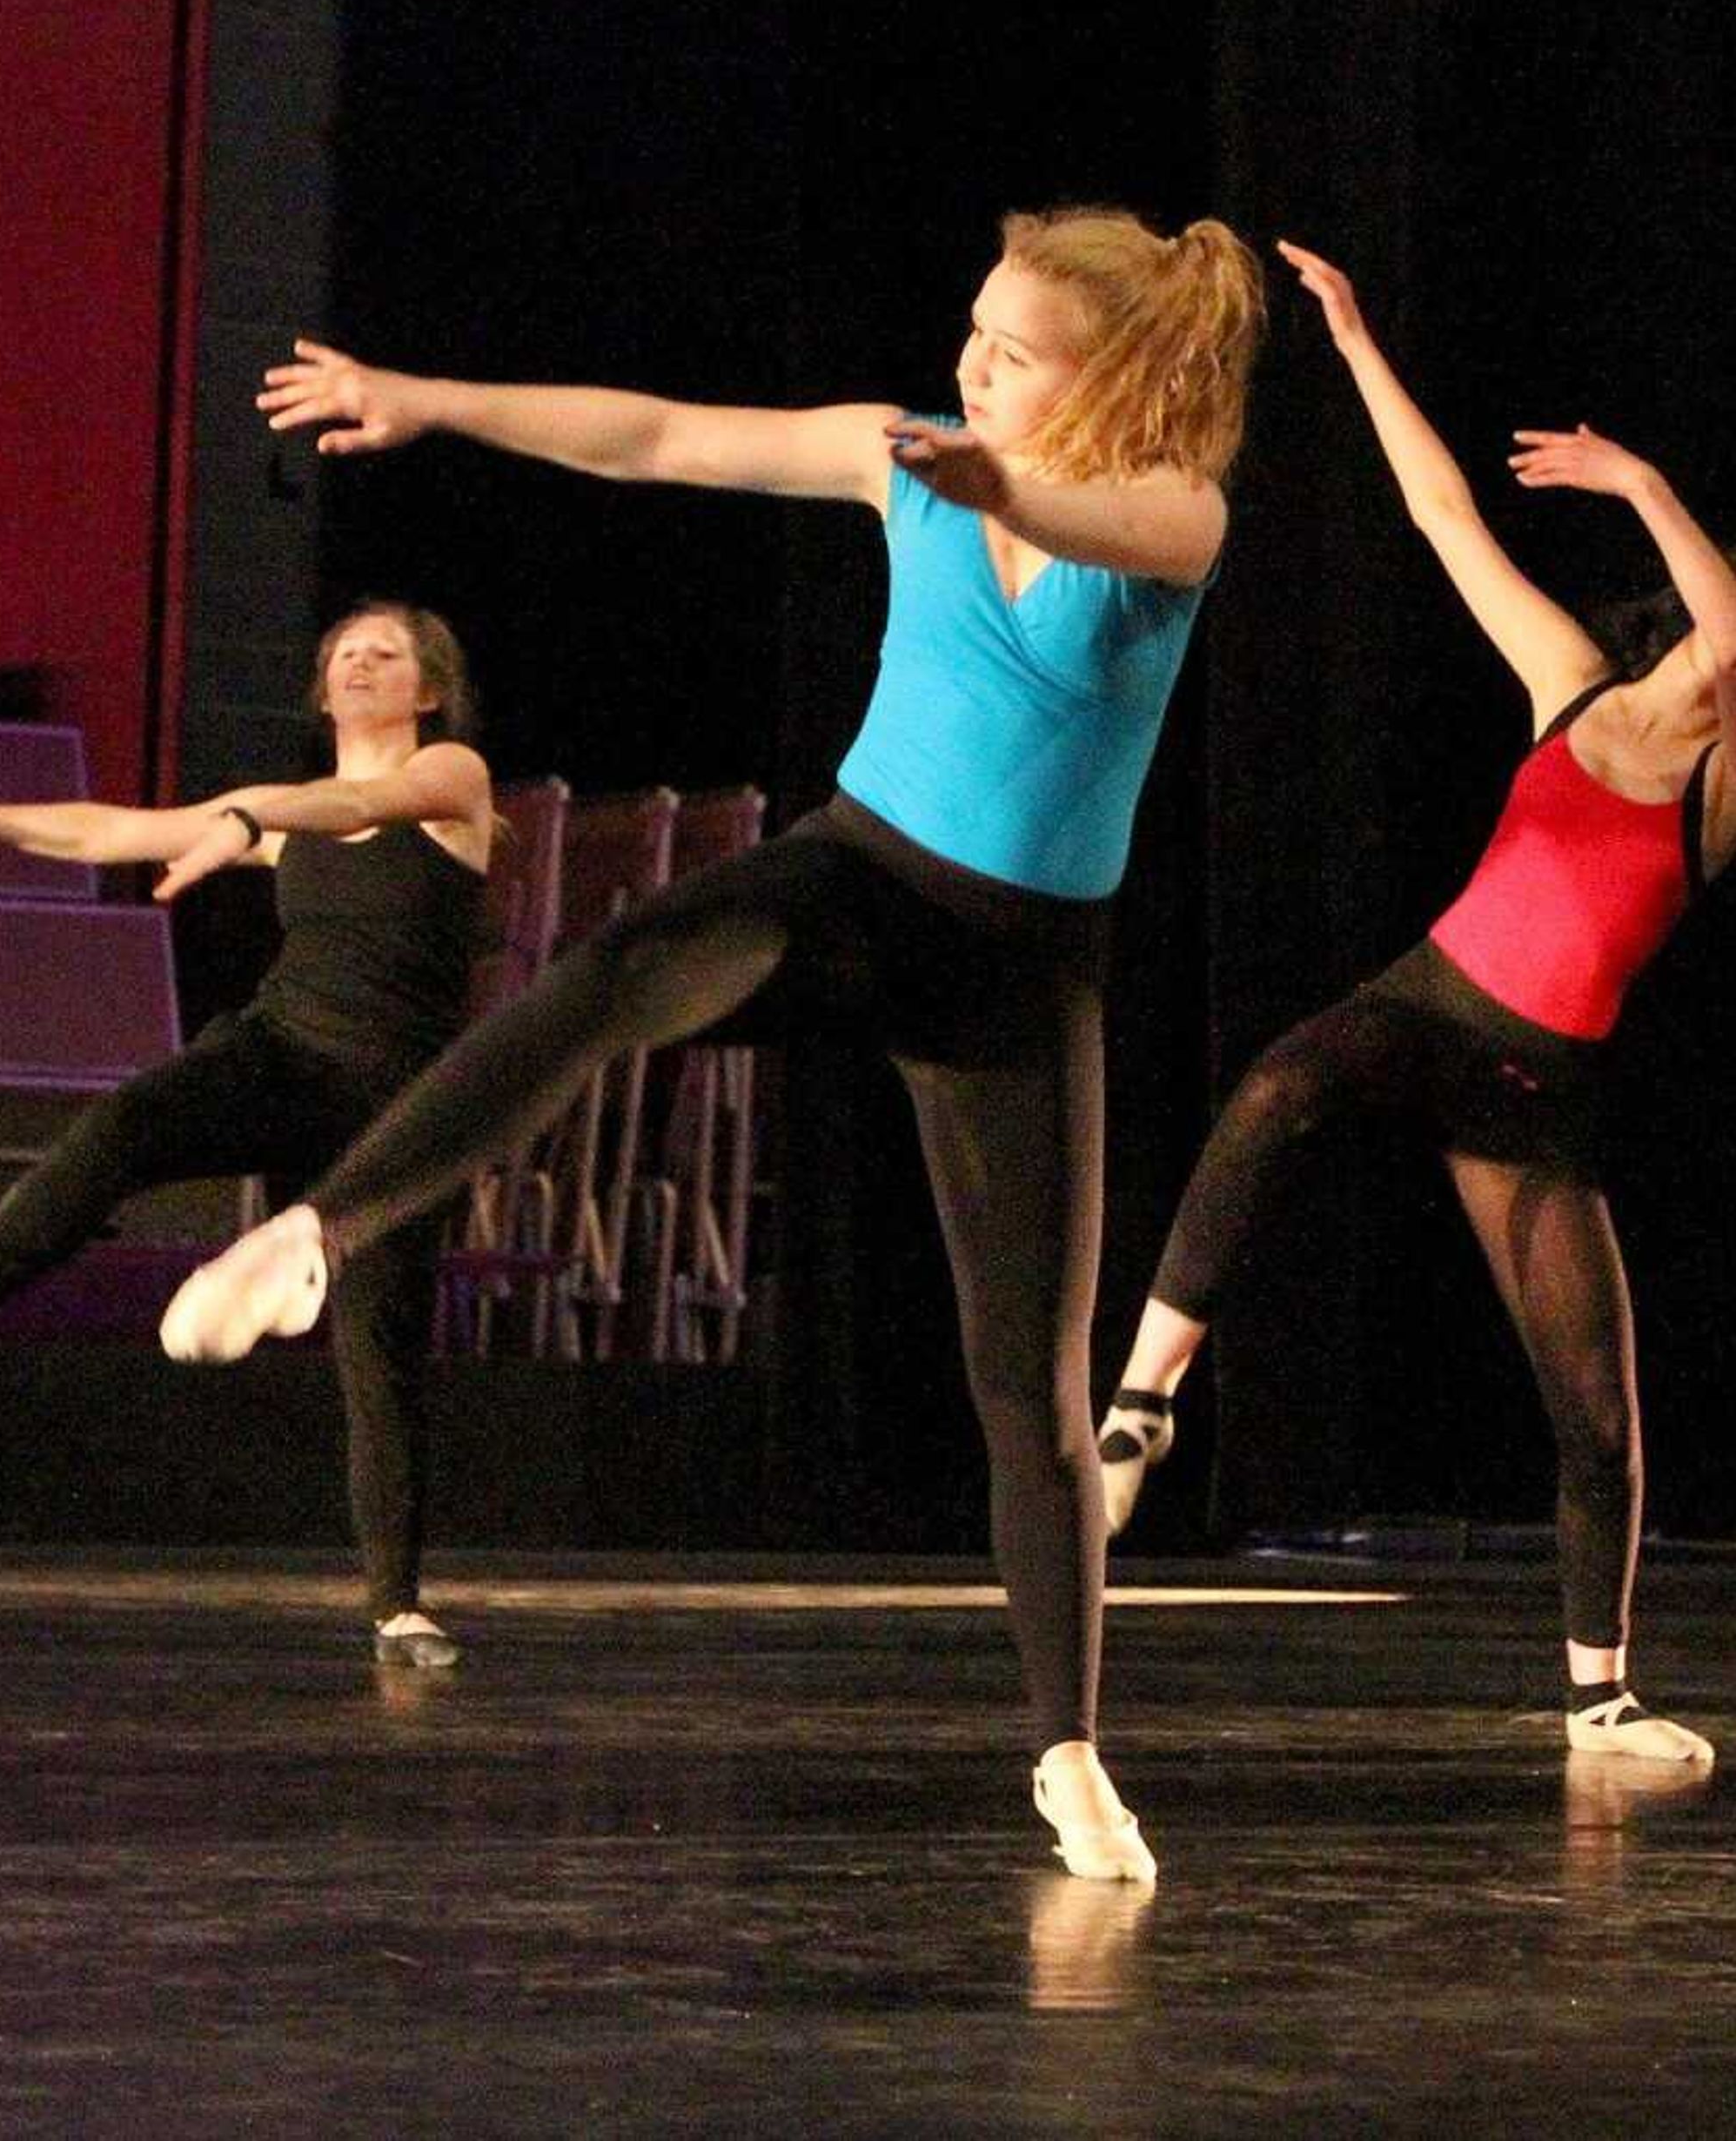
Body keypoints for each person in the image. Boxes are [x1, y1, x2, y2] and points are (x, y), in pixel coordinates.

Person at [162, 207, 1267, 1881]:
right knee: (624, 965)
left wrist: (1004, 489)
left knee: (1027, 1391)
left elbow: (1101, 509)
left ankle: (1069, 1755)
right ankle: (324, 1231)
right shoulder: (905, 457)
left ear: (1103, 373)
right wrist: (433, 397)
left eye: (1012, 353)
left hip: (1024, 976)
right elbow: (661, 436)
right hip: (860, 876)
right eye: (971, 327)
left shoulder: (1177, 514)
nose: (969, 365)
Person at [1092, 242, 1736, 1769]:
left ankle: (1600, 1698)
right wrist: (1358, 340)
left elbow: (1735, 639)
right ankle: (1142, 1405)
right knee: (1281, 1086)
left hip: (1537, 1086)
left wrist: (1639, 481)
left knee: (1599, 1421)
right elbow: (1443, 518)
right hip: (1428, 1010)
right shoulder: (1568, 679)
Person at [0, 601, 494, 1668]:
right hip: (283, 1055)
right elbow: (114, 828)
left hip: (397, 1112)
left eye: (386, 656)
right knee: (129, 1118)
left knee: (379, 1349)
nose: (361, 667)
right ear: (320, 688)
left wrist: (250, 819)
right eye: (342, 655)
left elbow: (369, 795)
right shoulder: (282, 812)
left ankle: (397, 1602)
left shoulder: (453, 782)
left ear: (429, 691)